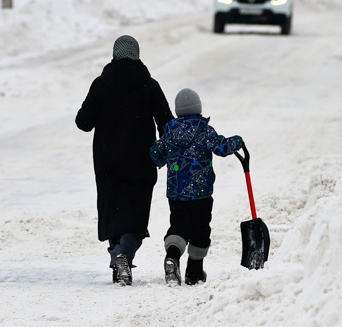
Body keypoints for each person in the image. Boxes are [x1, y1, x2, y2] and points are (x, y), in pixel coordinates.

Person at [76, 35, 173, 286]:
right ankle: (125, 253)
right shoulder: (149, 85)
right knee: (136, 215)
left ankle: (118, 258)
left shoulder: (100, 84)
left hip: (107, 161)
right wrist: (163, 149)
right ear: (137, 55)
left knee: (113, 212)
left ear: (114, 55)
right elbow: (167, 124)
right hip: (140, 162)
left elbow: (83, 123)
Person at [149, 88, 243, 286]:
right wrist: (237, 141)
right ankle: (194, 272)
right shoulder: (203, 129)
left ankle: (172, 257)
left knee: (179, 225)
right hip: (201, 193)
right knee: (200, 229)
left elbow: (156, 153)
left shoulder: (170, 130)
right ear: (198, 108)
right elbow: (222, 147)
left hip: (176, 192)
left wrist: (160, 155)